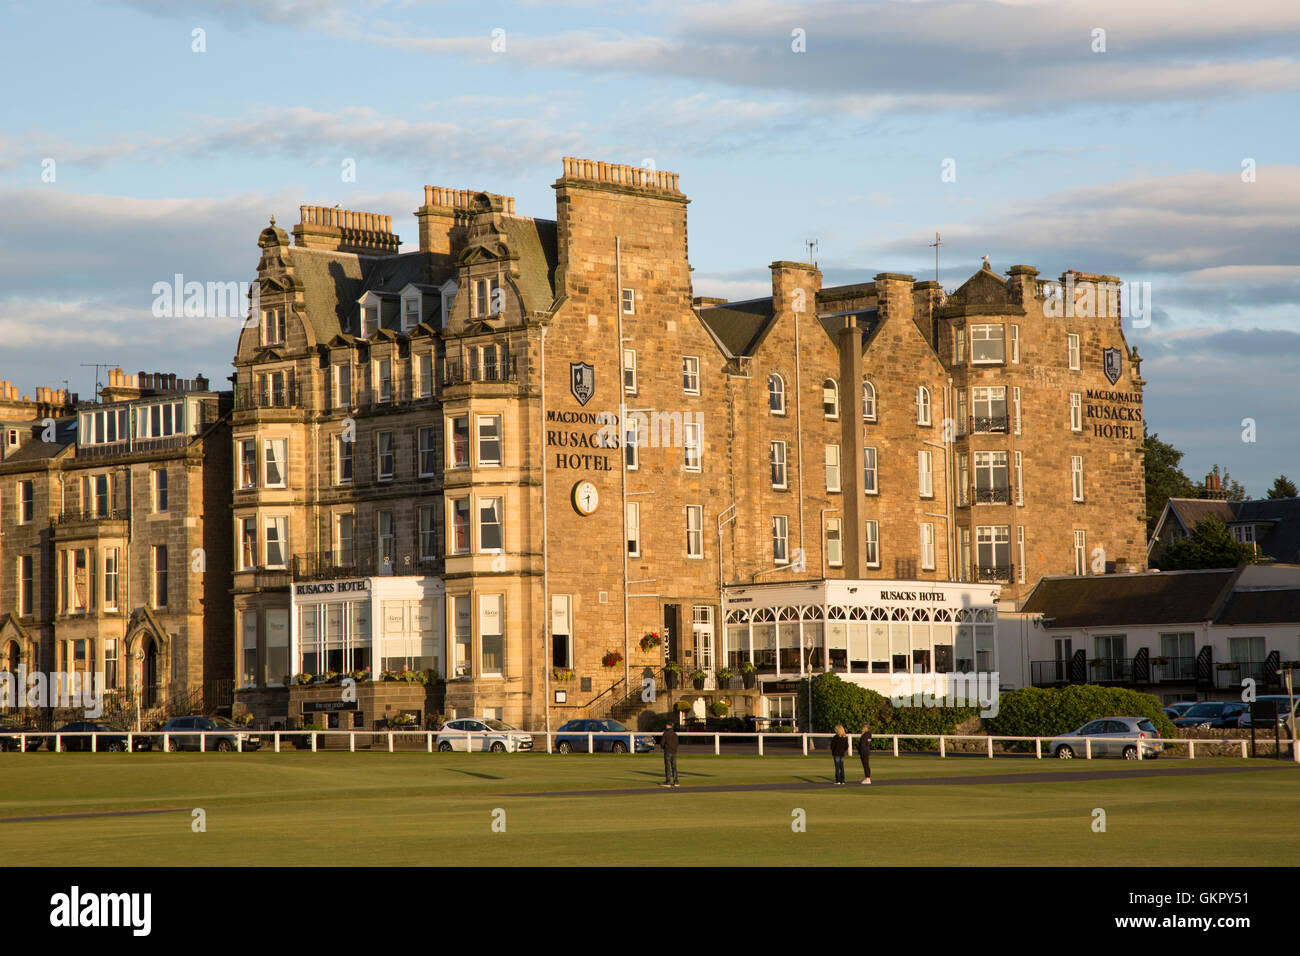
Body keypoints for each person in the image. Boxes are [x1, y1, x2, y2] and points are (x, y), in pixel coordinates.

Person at [660, 721, 680, 788]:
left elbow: (662, 743)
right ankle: (676, 781)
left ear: (668, 726)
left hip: (667, 751)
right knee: (674, 766)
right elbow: (677, 743)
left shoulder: (666, 733)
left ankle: (668, 781)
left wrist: (664, 747)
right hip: (674, 752)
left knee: (667, 767)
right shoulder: (675, 734)